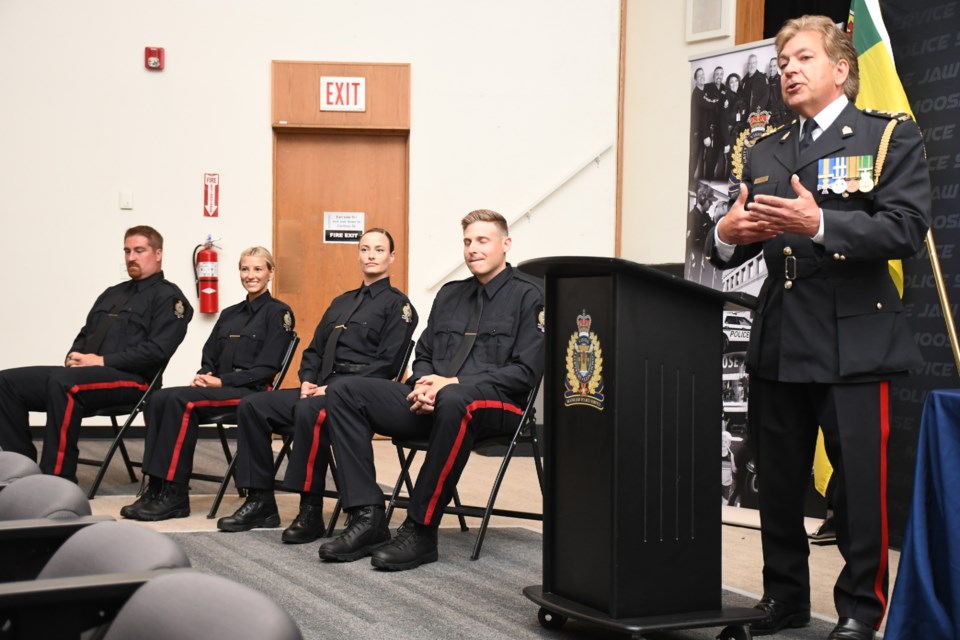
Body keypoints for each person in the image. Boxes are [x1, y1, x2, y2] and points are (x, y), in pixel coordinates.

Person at [705, 15, 931, 640]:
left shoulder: (886, 137)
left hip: (854, 334)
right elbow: (737, 238)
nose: (789, 71)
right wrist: (725, 235)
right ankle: (784, 599)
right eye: (782, 64)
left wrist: (822, 226)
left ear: (840, 68)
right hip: (781, 332)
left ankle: (861, 609)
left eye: (802, 58)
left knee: (858, 487)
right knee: (777, 481)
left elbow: (906, 229)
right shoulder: (766, 148)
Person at [318, 209, 543, 571]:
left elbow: (523, 373)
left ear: (506, 244)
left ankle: (421, 529)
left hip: (498, 407)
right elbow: (423, 355)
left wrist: (450, 385)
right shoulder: (450, 294)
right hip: (435, 401)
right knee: (344, 391)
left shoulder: (530, 296)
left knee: (455, 399)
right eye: (467, 242)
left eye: (482, 241)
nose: (472, 249)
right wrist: (423, 383)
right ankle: (367, 516)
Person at [215, 229, 417, 541]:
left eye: (379, 250)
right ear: (359, 255)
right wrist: (308, 379)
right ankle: (260, 501)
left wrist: (336, 389)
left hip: (355, 395)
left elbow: (387, 364)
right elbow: (314, 350)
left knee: (309, 411)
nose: (371, 255)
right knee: (253, 405)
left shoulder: (398, 306)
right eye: (365, 249)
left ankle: (310, 511)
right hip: (319, 386)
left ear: (391, 257)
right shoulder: (341, 302)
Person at [0, 226, 193, 481]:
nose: (131, 257)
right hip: (86, 374)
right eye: (127, 251)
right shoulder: (113, 293)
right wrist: (74, 356)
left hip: (133, 381)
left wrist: (101, 361)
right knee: (6, 382)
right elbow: (85, 333)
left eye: (139, 250)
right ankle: (21, 470)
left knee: (64, 383)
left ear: (158, 254)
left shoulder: (169, 298)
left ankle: (56, 478)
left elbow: (157, 351)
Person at [120, 247, 294, 521]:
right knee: (157, 399)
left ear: (271, 273)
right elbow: (209, 354)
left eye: (258, 269)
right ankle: (156, 487)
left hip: (250, 392)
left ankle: (174, 496)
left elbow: (267, 368)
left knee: (180, 402)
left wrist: (221, 381)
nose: (251, 275)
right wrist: (204, 375)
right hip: (217, 386)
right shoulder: (229, 314)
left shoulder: (279, 313)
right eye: (245, 269)